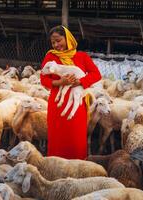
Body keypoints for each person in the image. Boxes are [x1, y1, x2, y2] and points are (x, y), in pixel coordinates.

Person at [40, 25, 101, 160]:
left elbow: (96, 74)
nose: (56, 45)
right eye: (53, 42)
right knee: (57, 138)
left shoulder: (82, 57)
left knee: (75, 139)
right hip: (57, 104)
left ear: (68, 38)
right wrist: (60, 82)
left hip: (77, 104)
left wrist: (80, 82)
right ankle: (55, 171)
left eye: (58, 40)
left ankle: (77, 171)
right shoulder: (51, 57)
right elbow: (43, 79)